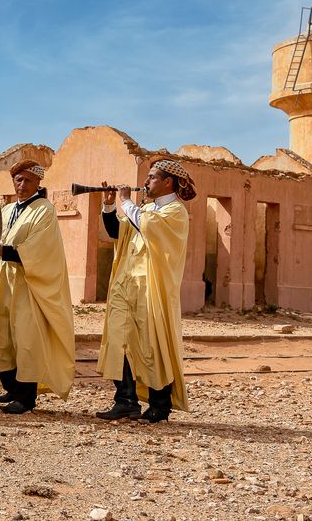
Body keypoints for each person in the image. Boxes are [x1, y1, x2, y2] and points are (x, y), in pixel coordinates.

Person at [0, 160, 75, 414]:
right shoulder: (8, 208)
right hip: (2, 280)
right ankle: (11, 388)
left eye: (27, 180)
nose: (21, 184)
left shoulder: (44, 209)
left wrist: (0, 250)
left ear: (38, 183)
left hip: (27, 284)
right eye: (18, 180)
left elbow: (40, 249)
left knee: (25, 339)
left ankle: (26, 398)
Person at [95, 157, 195, 424]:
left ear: (167, 182)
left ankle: (159, 405)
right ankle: (125, 401)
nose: (146, 182)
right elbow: (117, 231)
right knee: (119, 341)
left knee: (151, 344)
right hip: (126, 287)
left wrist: (126, 201)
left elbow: (148, 226)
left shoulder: (174, 211)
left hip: (152, 289)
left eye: (151, 177)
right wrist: (108, 205)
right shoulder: (145, 209)